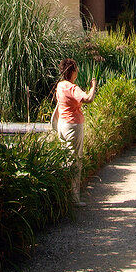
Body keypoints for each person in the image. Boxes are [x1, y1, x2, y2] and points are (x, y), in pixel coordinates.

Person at [54, 58, 97, 204]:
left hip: (62, 125)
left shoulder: (60, 86)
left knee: (65, 158)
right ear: (72, 71)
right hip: (73, 126)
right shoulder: (73, 88)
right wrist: (93, 86)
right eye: (76, 68)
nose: (78, 71)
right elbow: (88, 99)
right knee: (75, 161)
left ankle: (63, 194)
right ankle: (74, 199)